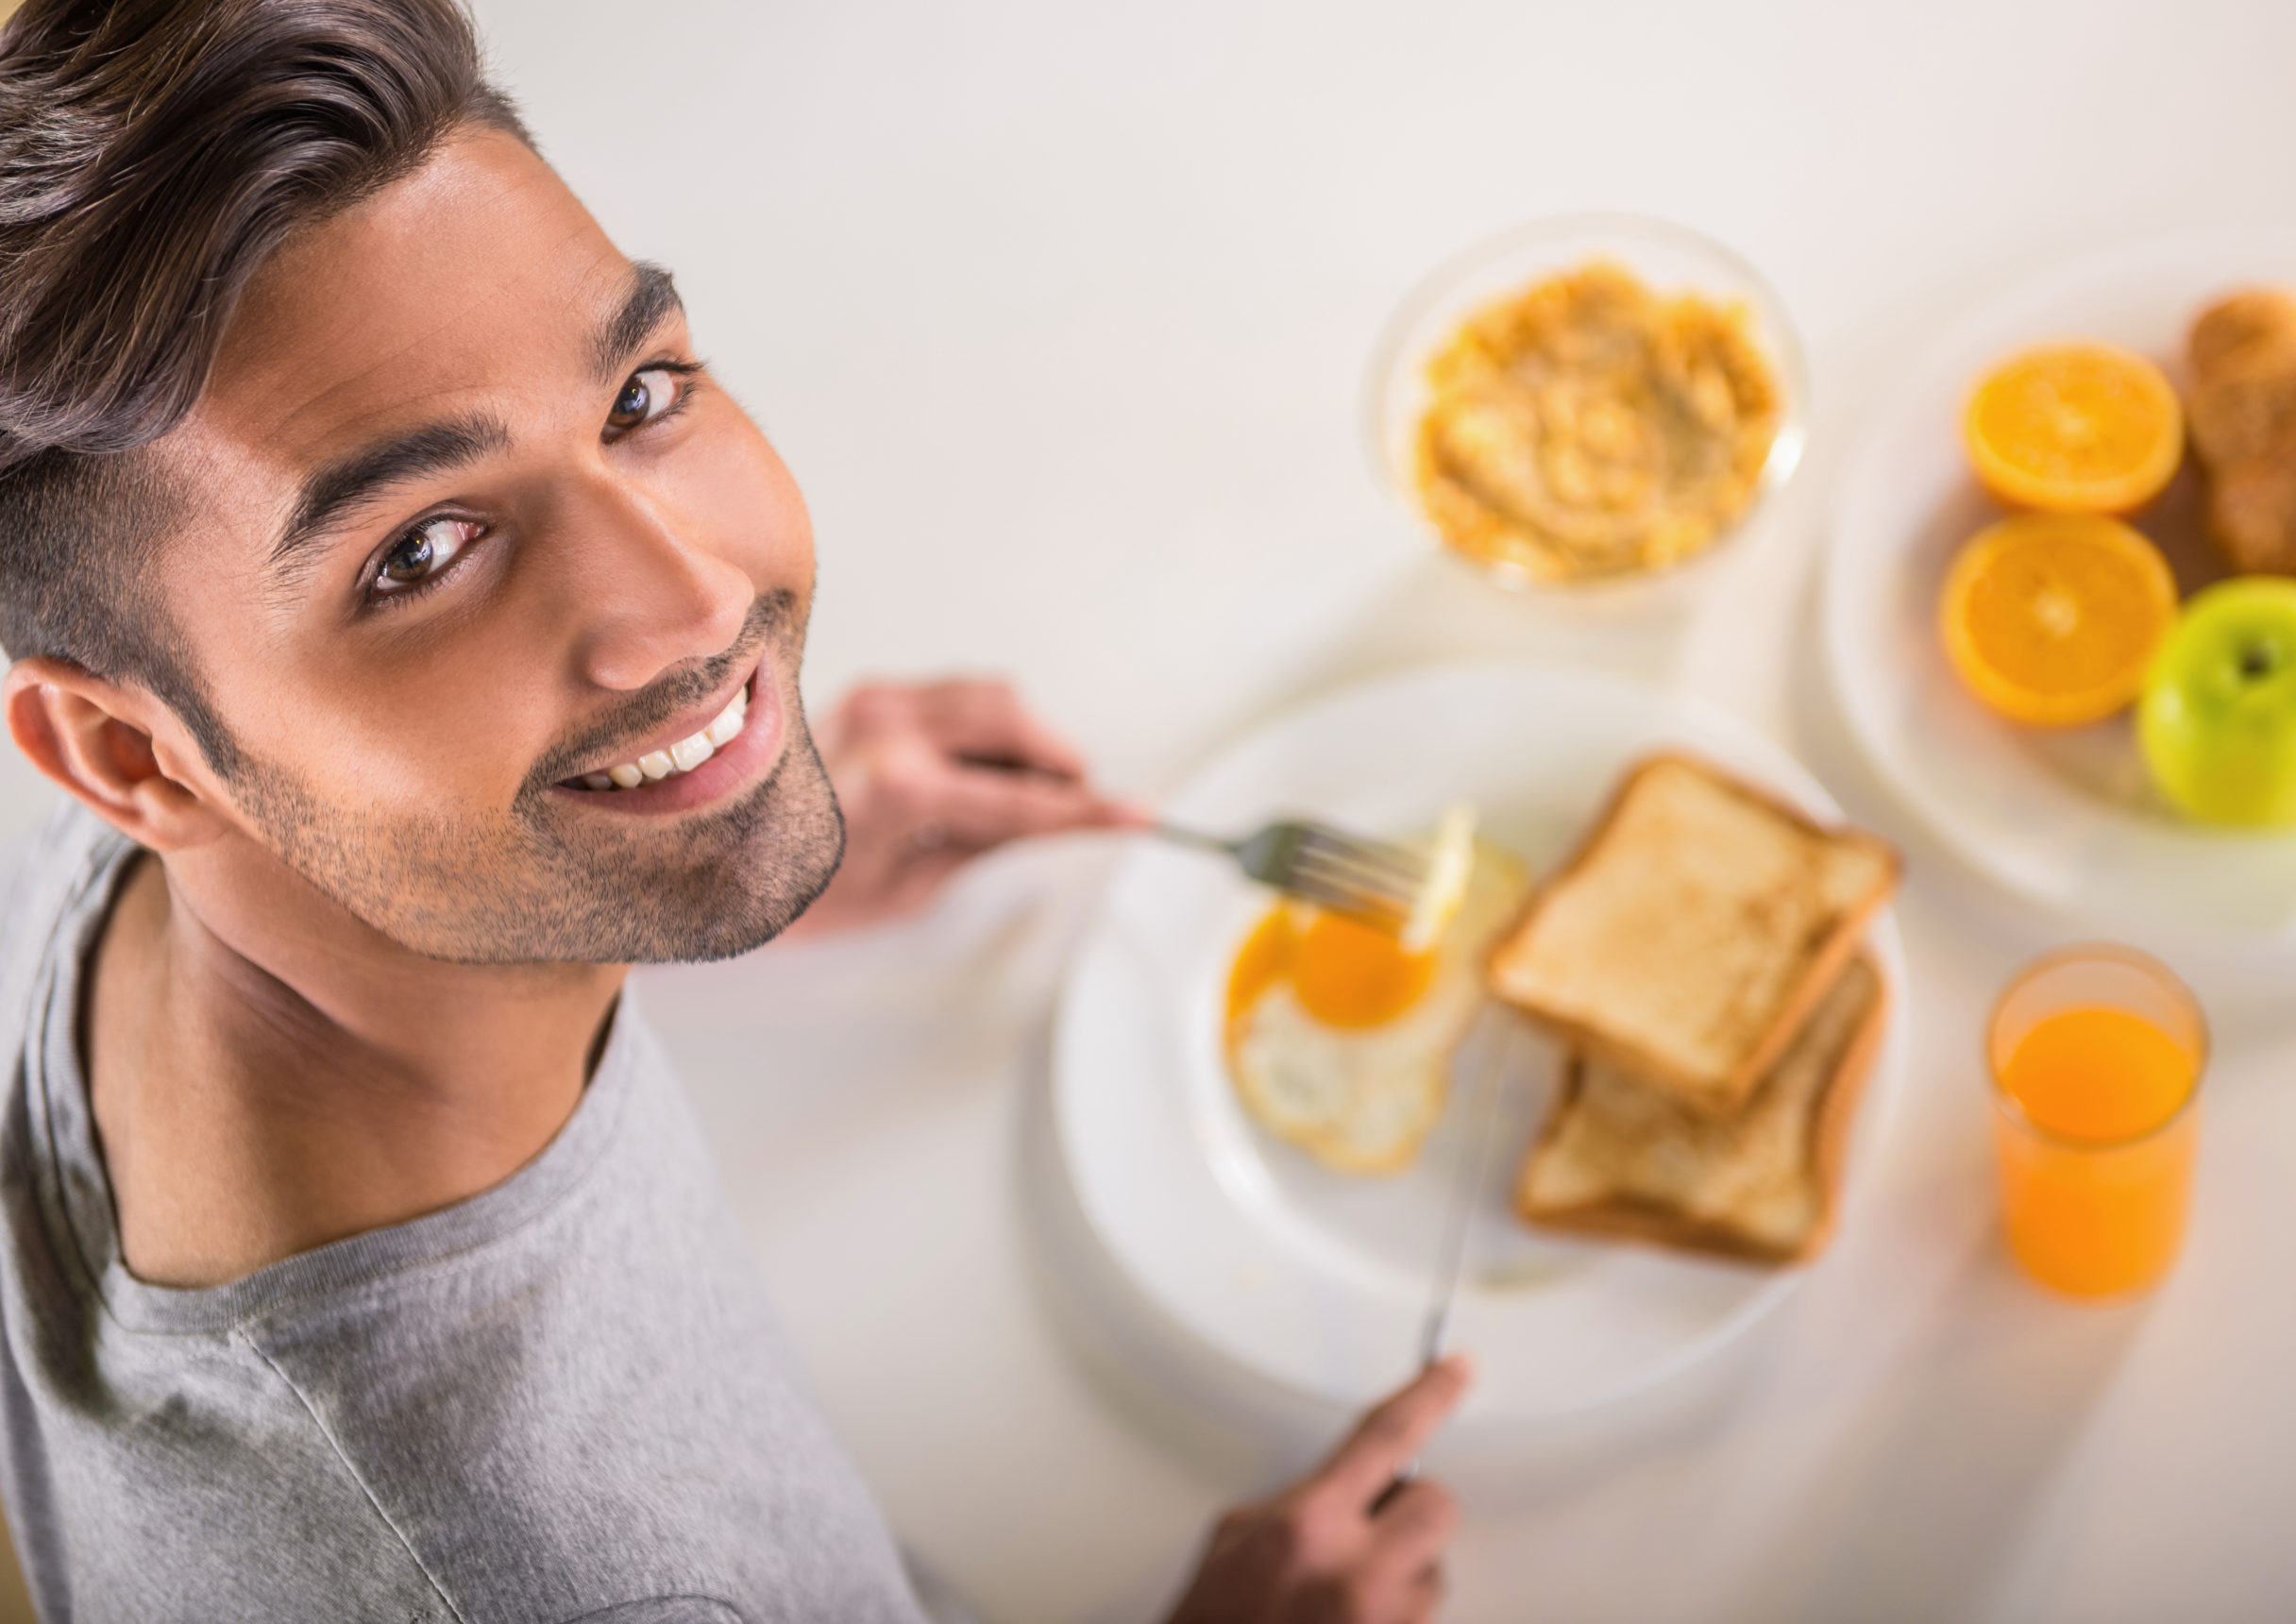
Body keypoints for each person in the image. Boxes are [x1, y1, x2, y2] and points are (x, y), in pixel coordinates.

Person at [0, 1, 1469, 1619]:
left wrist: (681, 817)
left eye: (638, 396)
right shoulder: (582, 1574)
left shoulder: (118, 849)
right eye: (418, 553)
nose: (694, 602)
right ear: (129, 758)